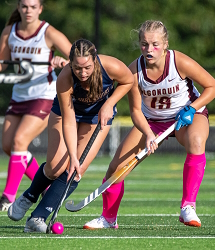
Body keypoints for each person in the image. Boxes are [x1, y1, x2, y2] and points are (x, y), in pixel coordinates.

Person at [82, 20, 215, 229]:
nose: (149, 49)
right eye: (145, 44)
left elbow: (213, 86)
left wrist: (192, 108)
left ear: (165, 44)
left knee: (196, 141)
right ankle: (108, 218)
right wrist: (148, 134)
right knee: (115, 169)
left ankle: (187, 207)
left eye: (155, 44)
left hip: (186, 117)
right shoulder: (133, 72)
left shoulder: (178, 61)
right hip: (151, 123)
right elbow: (136, 111)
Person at [7, 38, 134, 232]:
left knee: (75, 172)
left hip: (97, 117)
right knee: (55, 168)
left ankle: (37, 218)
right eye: (77, 68)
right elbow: (68, 119)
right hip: (66, 113)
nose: (83, 73)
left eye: (87, 68)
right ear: (70, 63)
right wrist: (73, 156)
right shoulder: (65, 78)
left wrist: (109, 104)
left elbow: (128, 81)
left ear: (95, 59)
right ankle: (30, 195)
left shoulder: (111, 66)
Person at [0, 0, 71, 211]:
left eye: (33, 7)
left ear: (40, 9)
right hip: (19, 96)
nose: (28, 10)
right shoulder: (9, 32)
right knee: (8, 146)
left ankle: (8, 197)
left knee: (19, 141)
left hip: (44, 96)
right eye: (24, 6)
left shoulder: (48, 32)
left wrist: (62, 62)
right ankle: (44, 190)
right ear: (18, 8)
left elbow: (77, 59)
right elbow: (4, 67)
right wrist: (13, 68)